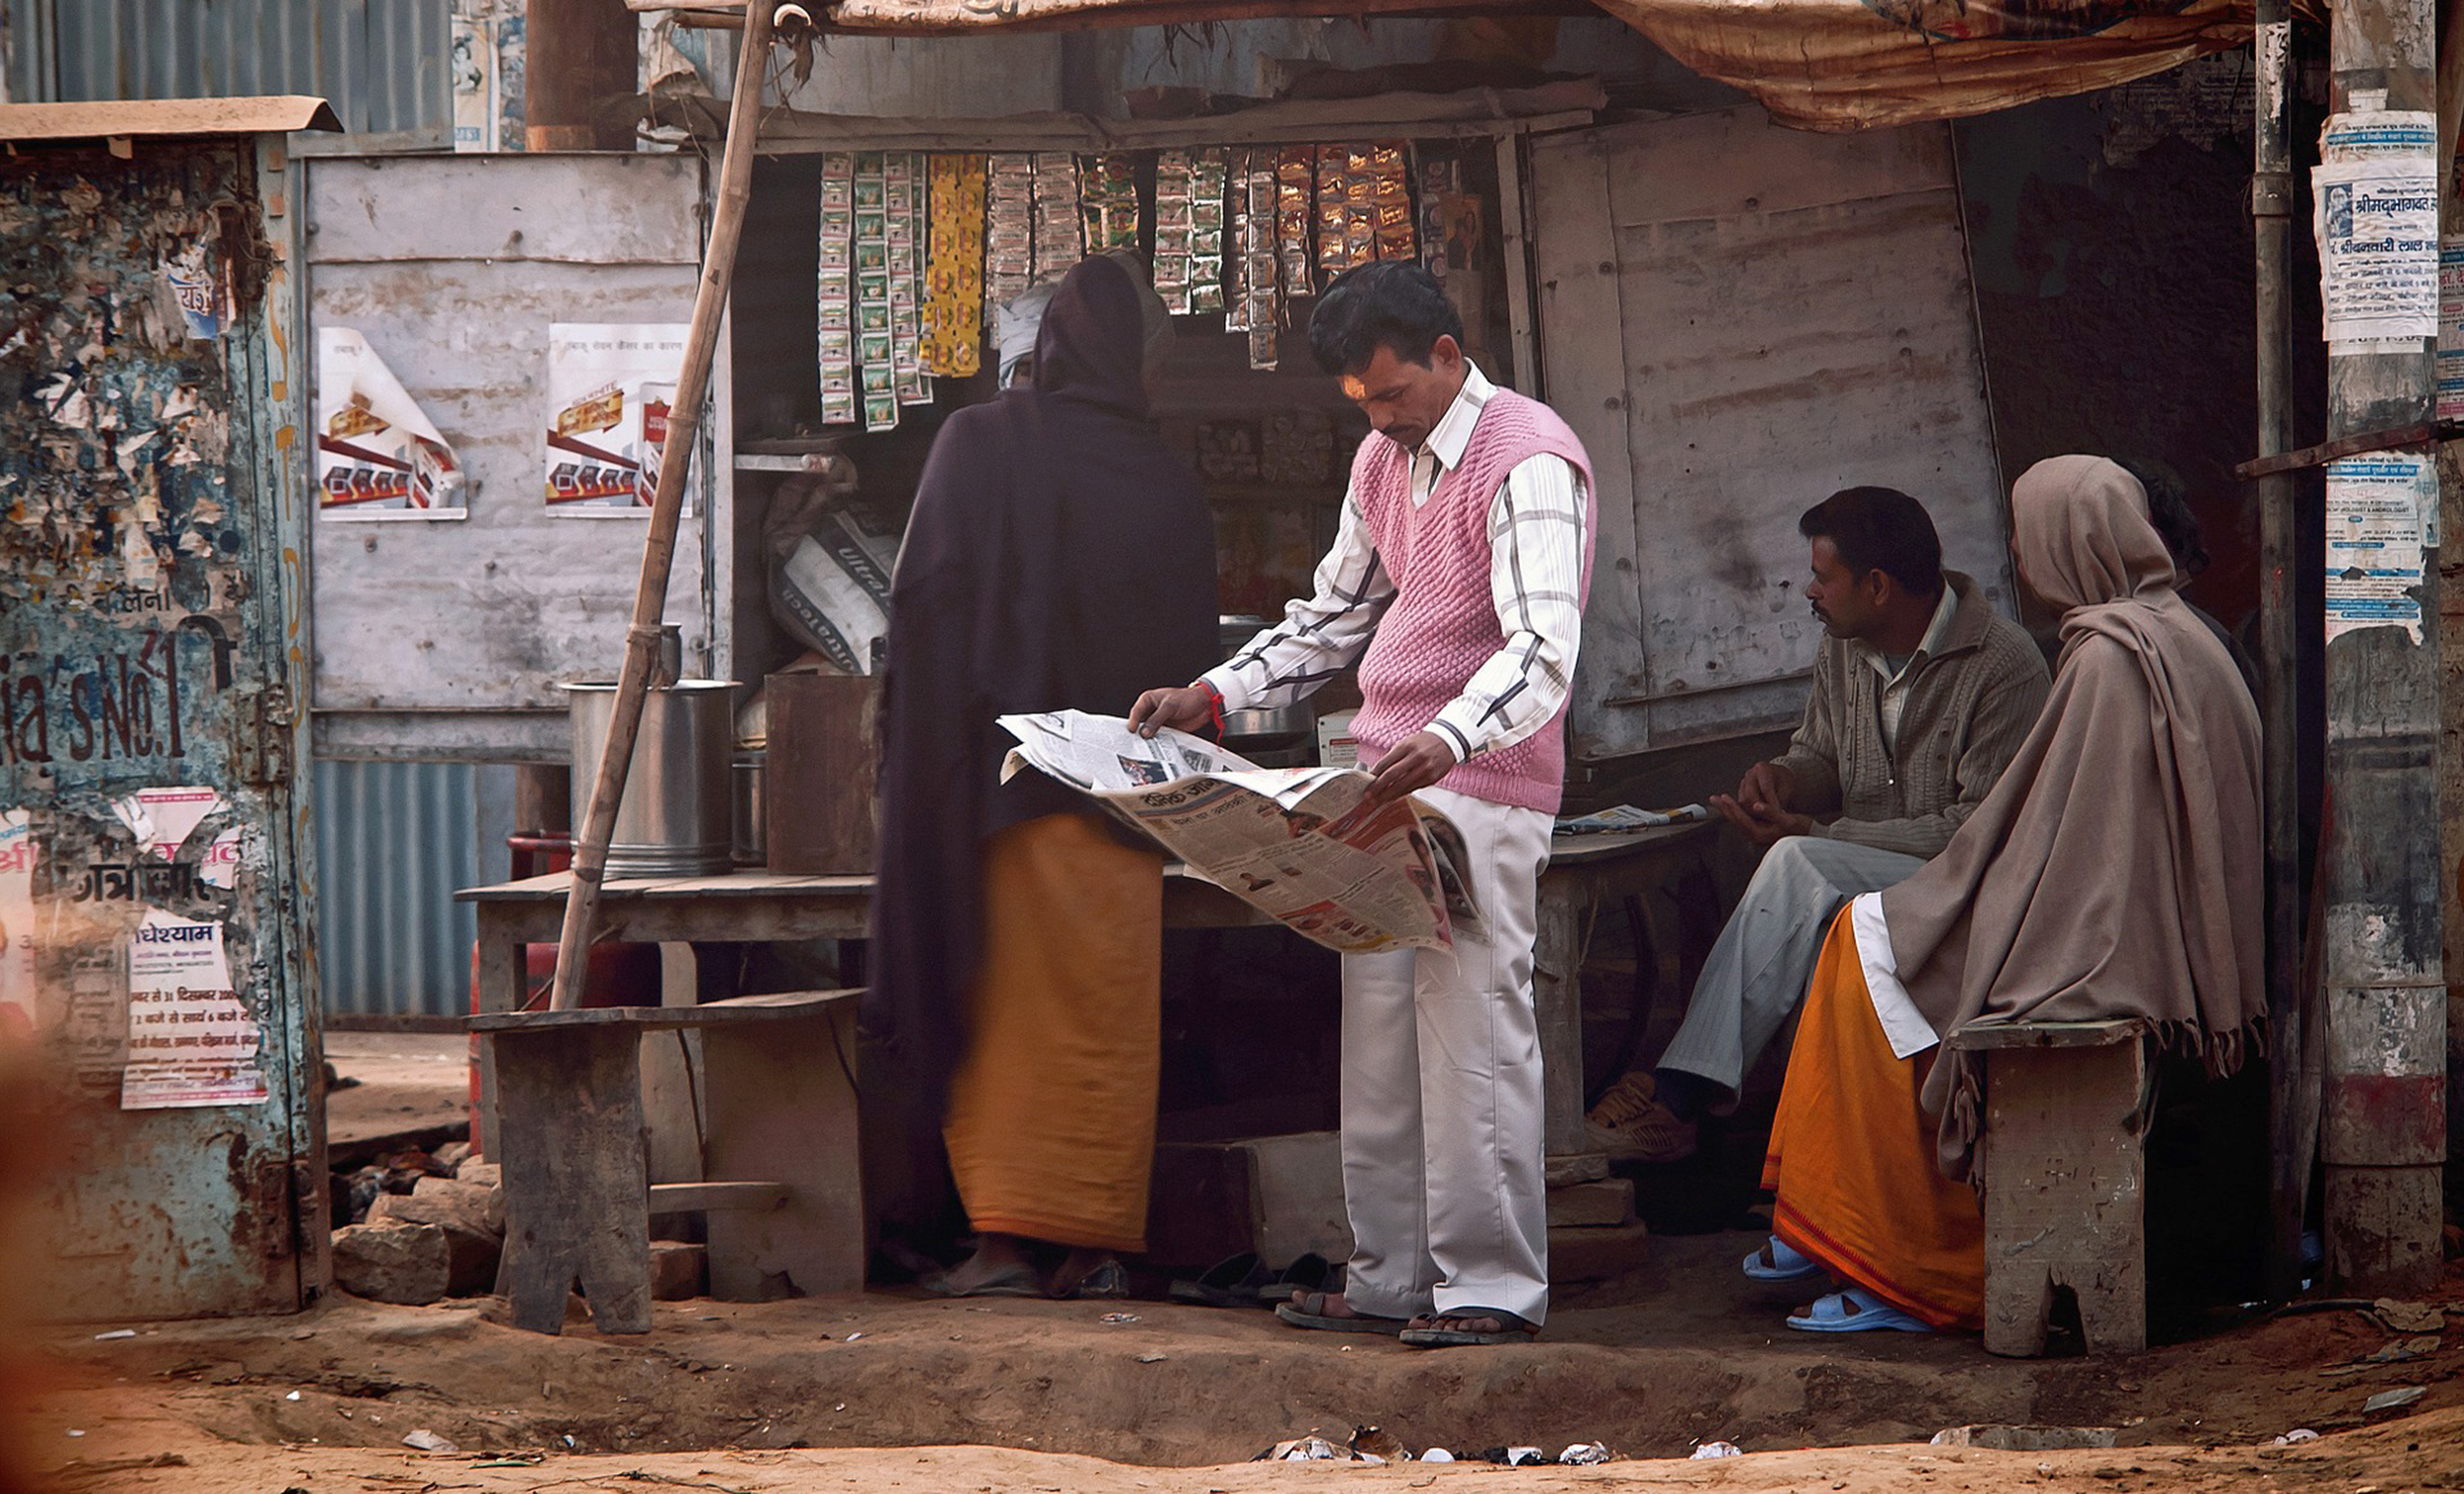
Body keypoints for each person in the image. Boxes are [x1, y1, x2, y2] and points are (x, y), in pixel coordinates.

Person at [1129, 261, 1593, 1348]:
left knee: (1474, 1031)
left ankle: (1488, 1289)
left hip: (1475, 787)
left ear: (1447, 352)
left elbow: (1542, 648)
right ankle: (1390, 1279)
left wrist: (1448, 735)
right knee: (1379, 1039)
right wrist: (1216, 693)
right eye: (1361, 403)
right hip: (1384, 781)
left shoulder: (1526, 455)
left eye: (1390, 394)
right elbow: (1334, 615)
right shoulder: (1383, 459)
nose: (1379, 418)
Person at [1759, 454, 2263, 1332]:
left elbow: (2042, 835)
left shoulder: (2106, 660)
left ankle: (1906, 1265)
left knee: (1869, 953)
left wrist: (1962, 896)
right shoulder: (2169, 633)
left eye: (2029, 541)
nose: (2021, 563)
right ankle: (1835, 1221)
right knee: (1872, 936)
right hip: (2136, 918)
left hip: (2106, 940)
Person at [867, 252, 1219, 1299]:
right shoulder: (1166, 479)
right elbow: (1189, 649)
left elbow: (922, 605)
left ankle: (1006, 1244)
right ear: (1139, 367)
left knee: (1006, 1012)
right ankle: (1089, 1243)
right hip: (1124, 807)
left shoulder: (978, 442)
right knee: (1103, 1021)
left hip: (996, 796)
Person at [1585, 488, 2050, 1167]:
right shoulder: (1846, 646)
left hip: (1965, 888)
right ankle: (1784, 1173)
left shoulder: (2003, 667)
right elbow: (1822, 755)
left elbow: (1976, 833)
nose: (1809, 590)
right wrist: (1784, 777)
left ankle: (1676, 1096)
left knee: (1801, 865)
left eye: (1823, 577)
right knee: (1804, 895)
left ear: (1879, 586)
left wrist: (1820, 836)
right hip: (1866, 880)